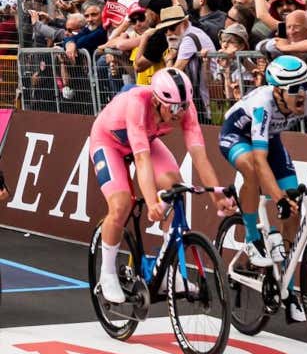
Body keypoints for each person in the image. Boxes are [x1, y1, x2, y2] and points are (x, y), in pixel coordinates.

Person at [217, 56, 307, 322]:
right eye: (294, 89)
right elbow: (260, 160)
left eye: (305, 85)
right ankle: (252, 238)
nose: (302, 94)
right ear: (277, 91)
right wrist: (278, 198)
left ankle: (285, 286)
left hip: (270, 140)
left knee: (294, 209)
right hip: (237, 135)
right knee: (252, 169)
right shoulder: (263, 103)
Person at [89, 68, 235, 303]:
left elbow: (200, 158)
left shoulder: (185, 109)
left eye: (184, 106)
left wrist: (217, 197)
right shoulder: (138, 103)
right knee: (121, 204)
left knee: (173, 185)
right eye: (174, 108)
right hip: (108, 142)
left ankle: (167, 268)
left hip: (145, 140)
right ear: (157, 101)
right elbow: (142, 159)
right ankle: (107, 274)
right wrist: (152, 202)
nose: (180, 113)